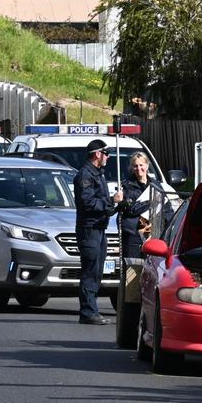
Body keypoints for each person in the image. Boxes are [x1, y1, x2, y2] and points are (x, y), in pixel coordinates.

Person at [73, 139, 122, 325]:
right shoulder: (85, 175)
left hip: (100, 229)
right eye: (106, 153)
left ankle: (91, 309)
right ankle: (88, 312)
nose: (108, 157)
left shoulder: (98, 174)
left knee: (97, 271)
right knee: (90, 270)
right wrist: (111, 200)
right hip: (89, 230)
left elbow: (102, 204)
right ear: (97, 154)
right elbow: (88, 203)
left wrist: (116, 205)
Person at [117, 152, 152, 258]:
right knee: (133, 270)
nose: (138, 168)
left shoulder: (156, 186)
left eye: (141, 165)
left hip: (152, 234)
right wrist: (151, 202)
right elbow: (131, 209)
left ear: (147, 165)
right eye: (135, 166)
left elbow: (166, 209)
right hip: (133, 235)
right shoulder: (126, 186)